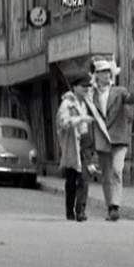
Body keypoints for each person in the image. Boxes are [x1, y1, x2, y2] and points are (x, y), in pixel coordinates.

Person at [90, 59, 134, 222]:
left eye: (107, 72)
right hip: (103, 139)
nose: (105, 75)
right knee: (106, 175)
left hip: (119, 138)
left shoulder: (119, 91)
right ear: (96, 75)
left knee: (117, 170)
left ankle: (115, 206)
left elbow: (130, 98)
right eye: (101, 72)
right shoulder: (92, 95)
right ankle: (109, 205)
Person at [56, 72, 97, 222]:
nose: (86, 89)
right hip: (73, 143)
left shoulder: (88, 103)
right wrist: (80, 119)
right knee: (72, 179)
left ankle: (81, 210)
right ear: (74, 88)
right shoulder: (67, 104)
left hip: (85, 142)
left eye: (88, 86)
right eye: (83, 86)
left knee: (84, 177)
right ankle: (69, 210)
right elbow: (63, 123)